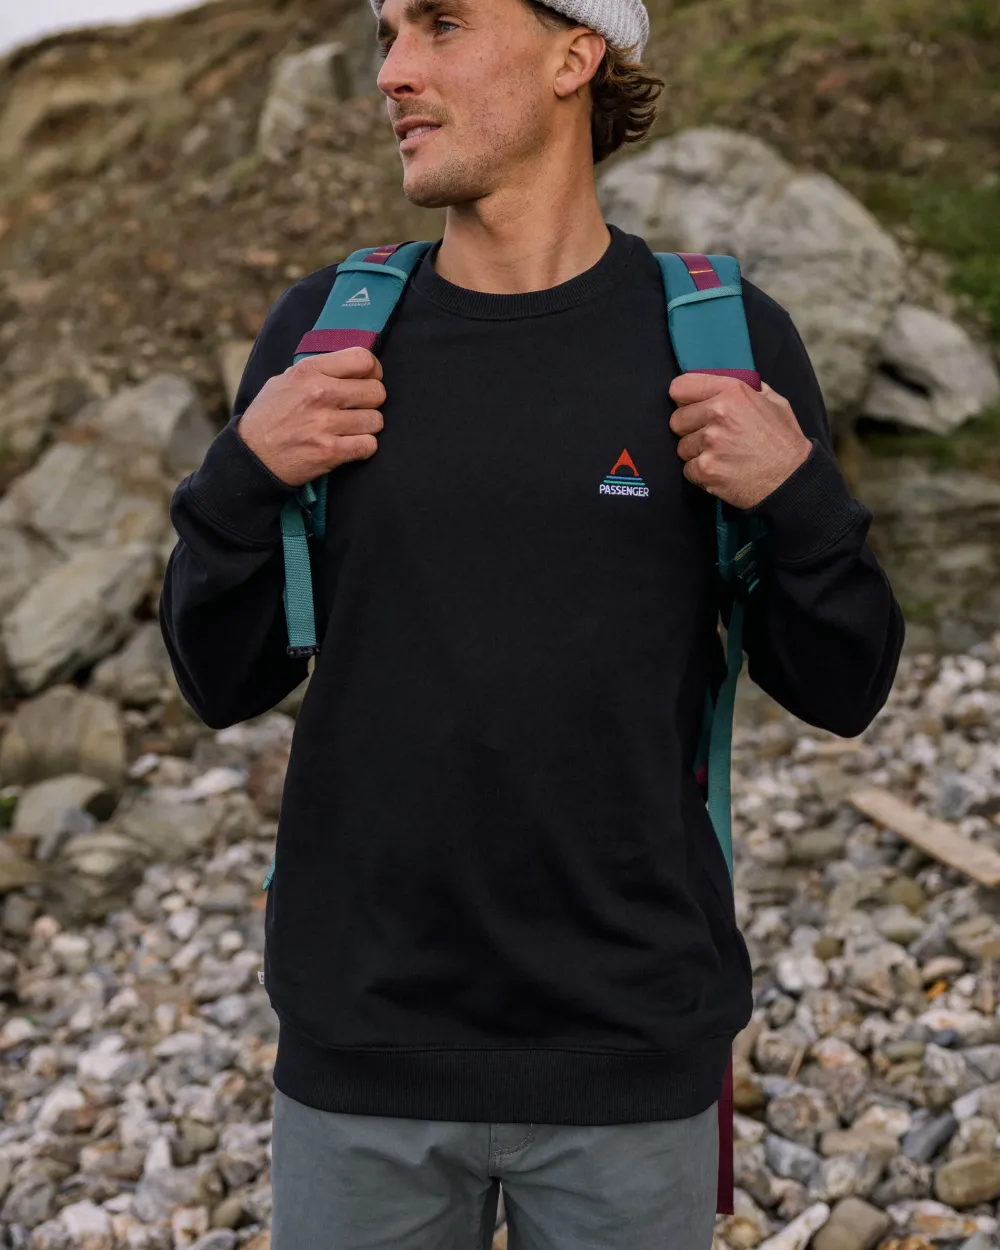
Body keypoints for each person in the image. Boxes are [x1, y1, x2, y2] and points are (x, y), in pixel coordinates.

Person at [158, 0, 906, 1245]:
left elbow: (845, 685)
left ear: (576, 55)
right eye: (388, 34)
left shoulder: (721, 341)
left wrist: (800, 498)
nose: (394, 71)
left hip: (632, 1050)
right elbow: (217, 679)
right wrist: (239, 477)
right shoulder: (326, 334)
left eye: (442, 24)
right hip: (360, 1053)